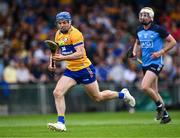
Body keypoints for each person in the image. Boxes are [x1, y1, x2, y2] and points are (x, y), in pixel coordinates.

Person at [47, 11, 135, 131]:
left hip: (84, 69)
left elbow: (80, 54)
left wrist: (62, 58)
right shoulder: (58, 34)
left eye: (64, 22)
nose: (62, 25)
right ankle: (61, 123)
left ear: (69, 22)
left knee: (98, 97)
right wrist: (51, 63)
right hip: (71, 70)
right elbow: (55, 51)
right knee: (57, 92)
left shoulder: (76, 34)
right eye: (60, 23)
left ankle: (123, 94)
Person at [133, 7, 176, 124]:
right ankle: (166, 116)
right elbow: (137, 43)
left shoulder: (158, 29)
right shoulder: (139, 30)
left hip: (156, 62)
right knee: (154, 92)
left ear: (151, 18)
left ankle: (159, 108)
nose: (142, 17)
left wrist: (160, 52)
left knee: (144, 87)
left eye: (145, 15)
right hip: (145, 63)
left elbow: (173, 42)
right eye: (141, 15)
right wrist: (134, 52)